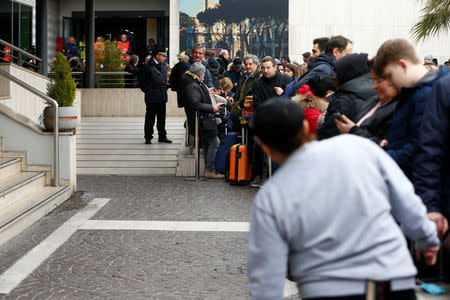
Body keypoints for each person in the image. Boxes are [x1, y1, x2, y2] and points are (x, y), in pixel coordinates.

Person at [247, 98, 440, 300]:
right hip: (390, 277)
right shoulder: (359, 148)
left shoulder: (271, 195)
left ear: (265, 147)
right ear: (306, 126)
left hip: (326, 288)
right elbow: (407, 202)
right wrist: (427, 239)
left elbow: (265, 275)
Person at [374, 39, 449, 179]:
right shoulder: (413, 92)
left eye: (389, 75)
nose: (389, 82)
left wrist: (381, 158)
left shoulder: (428, 93)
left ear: (403, 65)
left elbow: (419, 149)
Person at [335, 59, 399, 144]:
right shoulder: (373, 100)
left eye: (378, 80)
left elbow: (385, 146)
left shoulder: (400, 109)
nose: (374, 86)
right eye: (373, 80)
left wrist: (352, 130)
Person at [317, 53, 376, 140]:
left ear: (348, 75)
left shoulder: (343, 100)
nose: (333, 77)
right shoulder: (375, 95)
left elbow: (328, 134)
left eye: (337, 72)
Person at [183, 62, 225, 179]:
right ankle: (210, 170)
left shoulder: (194, 84)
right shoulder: (193, 85)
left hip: (204, 119)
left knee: (208, 143)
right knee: (214, 142)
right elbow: (195, 103)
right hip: (203, 120)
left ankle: (209, 169)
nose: (204, 75)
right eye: (203, 73)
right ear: (199, 74)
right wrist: (212, 108)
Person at [139, 50, 172, 144]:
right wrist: (148, 91)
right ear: (157, 55)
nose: (165, 58)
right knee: (150, 117)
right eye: (163, 56)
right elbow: (142, 82)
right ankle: (148, 137)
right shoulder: (146, 66)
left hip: (162, 94)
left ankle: (162, 136)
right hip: (152, 95)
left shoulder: (164, 65)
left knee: (162, 117)